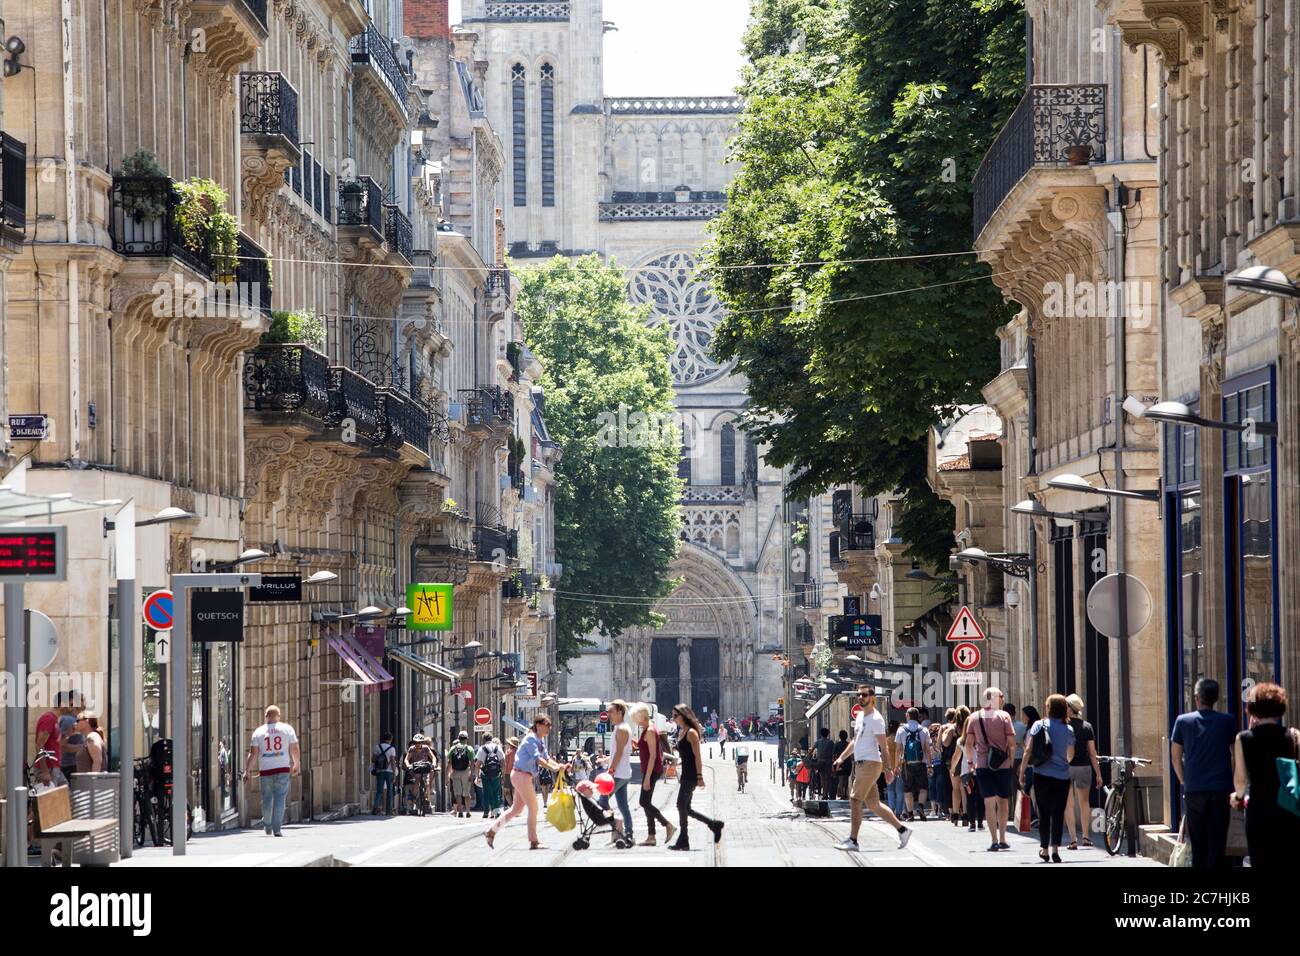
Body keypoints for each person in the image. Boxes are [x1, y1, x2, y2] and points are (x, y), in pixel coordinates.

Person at [832, 685, 911, 851]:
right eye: (859, 694)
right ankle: (903, 830)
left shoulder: (876, 719)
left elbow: (884, 746)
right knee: (874, 804)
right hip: (861, 764)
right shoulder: (861, 717)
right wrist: (841, 757)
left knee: (855, 800)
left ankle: (853, 840)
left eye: (864, 695)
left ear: (872, 697)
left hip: (870, 763)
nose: (861, 697)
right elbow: (855, 740)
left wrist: (888, 769)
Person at [1171, 678, 1238, 868]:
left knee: (1198, 843)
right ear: (1216, 698)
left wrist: (1185, 780)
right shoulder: (1228, 721)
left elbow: (1176, 757)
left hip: (1194, 788)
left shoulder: (1183, 721)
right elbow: (1235, 755)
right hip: (1220, 788)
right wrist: (1231, 779)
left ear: (1196, 698)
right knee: (1217, 843)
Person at [1232, 682, 1300, 867]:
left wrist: (1237, 797)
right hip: (1289, 810)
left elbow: (1240, 780)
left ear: (1253, 708)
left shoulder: (1244, 739)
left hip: (1259, 812)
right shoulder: (1294, 736)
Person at [486, 713, 567, 849]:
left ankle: (491, 831)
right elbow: (538, 759)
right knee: (533, 807)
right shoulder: (531, 739)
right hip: (521, 775)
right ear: (538, 726)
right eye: (547, 725)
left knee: (516, 809)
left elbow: (546, 758)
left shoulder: (540, 741)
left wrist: (559, 766)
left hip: (523, 776)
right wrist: (554, 768)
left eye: (549, 726)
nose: (549, 728)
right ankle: (533, 841)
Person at [1020, 694, 1075, 863]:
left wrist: (1021, 772)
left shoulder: (1038, 725)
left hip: (1041, 774)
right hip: (1062, 776)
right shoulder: (1069, 729)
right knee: (1058, 812)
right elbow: (1071, 753)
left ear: (1048, 708)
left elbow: (1028, 750)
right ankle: (1056, 848)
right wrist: (1064, 762)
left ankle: (1044, 848)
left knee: (1043, 812)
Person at [965, 688, 1016, 851]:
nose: (1002, 699)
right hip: (1002, 765)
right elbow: (1012, 743)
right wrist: (1011, 762)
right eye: (1001, 697)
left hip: (982, 764)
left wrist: (970, 762)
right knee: (1003, 801)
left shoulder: (974, 717)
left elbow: (968, 743)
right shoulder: (1004, 716)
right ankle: (1002, 838)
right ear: (994, 699)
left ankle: (993, 840)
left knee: (988, 801)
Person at [668, 704, 724, 850]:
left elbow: (697, 757)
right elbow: (685, 755)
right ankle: (713, 824)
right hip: (685, 773)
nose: (673, 719)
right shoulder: (682, 731)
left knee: (681, 805)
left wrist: (700, 776)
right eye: (672, 716)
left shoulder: (691, 732)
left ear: (683, 716)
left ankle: (684, 839)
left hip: (691, 775)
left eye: (675, 716)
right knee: (687, 808)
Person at [241, 705, 300, 837]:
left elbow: (253, 753)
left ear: (266, 716)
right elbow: (294, 748)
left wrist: (247, 770)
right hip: (283, 768)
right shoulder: (287, 729)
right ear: (278, 716)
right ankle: (277, 828)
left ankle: (267, 824)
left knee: (266, 799)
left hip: (266, 770)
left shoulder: (258, 732)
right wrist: (296, 764)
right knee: (280, 798)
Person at [631, 703, 676, 845]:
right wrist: (636, 744)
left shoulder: (650, 730)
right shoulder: (647, 729)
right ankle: (651, 836)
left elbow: (653, 755)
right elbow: (646, 748)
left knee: (643, 802)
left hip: (651, 770)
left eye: (635, 718)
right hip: (649, 769)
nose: (635, 721)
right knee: (646, 802)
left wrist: (647, 778)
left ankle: (667, 825)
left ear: (641, 717)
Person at [1063, 694, 1103, 849]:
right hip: (1084, 767)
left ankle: (1073, 840)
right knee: (1084, 803)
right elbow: (1092, 753)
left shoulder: (1063, 725)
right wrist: (1098, 773)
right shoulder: (1087, 726)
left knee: (1068, 804)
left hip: (1066, 768)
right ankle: (1086, 837)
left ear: (1069, 709)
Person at [598, 700, 635, 845]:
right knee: (623, 805)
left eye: (611, 711)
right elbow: (620, 752)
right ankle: (628, 833)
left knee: (602, 801)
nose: (608, 715)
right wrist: (606, 759)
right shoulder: (620, 727)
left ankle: (618, 827)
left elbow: (620, 752)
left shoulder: (622, 729)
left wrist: (611, 770)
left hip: (618, 773)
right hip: (623, 772)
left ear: (620, 712)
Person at [895, 707, 932, 822]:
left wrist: (897, 766)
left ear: (908, 716)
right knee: (923, 787)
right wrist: (930, 765)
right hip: (921, 763)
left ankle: (910, 814)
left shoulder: (901, 730)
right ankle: (921, 806)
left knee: (908, 789)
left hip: (907, 764)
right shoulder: (924, 730)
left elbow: (898, 750)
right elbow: (927, 749)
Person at [401, 734, 437, 814]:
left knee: (427, 783)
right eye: (416, 742)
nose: (417, 744)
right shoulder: (411, 749)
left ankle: (426, 798)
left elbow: (433, 757)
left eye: (419, 742)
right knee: (417, 780)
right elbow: (406, 759)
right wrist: (408, 765)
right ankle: (414, 799)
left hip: (424, 768)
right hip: (416, 768)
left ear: (422, 743)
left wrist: (434, 764)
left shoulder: (426, 748)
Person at [446, 731, 476, 818]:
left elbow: (449, 763)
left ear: (458, 738)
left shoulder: (453, 748)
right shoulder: (469, 748)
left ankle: (460, 811)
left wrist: (447, 776)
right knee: (466, 793)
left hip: (455, 772)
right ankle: (468, 811)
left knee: (458, 793)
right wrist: (471, 774)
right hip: (466, 771)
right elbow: (473, 762)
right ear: (466, 739)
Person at [475, 735, 505, 819]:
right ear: (491, 739)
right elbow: (503, 762)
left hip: (485, 774)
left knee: (486, 793)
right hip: (496, 774)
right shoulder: (497, 748)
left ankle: (486, 812)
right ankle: (496, 812)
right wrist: (502, 775)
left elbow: (477, 764)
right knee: (496, 793)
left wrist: (477, 776)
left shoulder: (482, 749)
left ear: (483, 739)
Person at [370, 732, 398, 815]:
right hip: (389, 772)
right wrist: (394, 773)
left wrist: (380, 760)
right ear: (391, 739)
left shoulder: (377, 747)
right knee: (390, 790)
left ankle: (375, 807)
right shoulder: (392, 749)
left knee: (379, 790)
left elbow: (373, 759)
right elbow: (393, 762)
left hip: (380, 771)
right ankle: (388, 810)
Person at [813, 726, 837, 800]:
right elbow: (834, 753)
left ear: (821, 734)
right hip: (828, 763)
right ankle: (826, 793)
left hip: (820, 762)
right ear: (828, 734)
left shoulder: (818, 742)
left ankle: (824, 794)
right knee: (827, 779)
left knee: (822, 778)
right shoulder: (831, 742)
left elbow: (812, 750)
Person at [835, 730, 852, 800]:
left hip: (840, 764)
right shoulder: (848, 744)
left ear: (840, 736)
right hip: (847, 764)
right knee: (846, 780)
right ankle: (845, 793)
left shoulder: (837, 745)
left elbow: (834, 754)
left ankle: (842, 794)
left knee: (841, 780)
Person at [503, 737, 519, 806]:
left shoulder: (508, 751)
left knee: (506, 792)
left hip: (508, 773)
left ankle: (512, 806)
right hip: (517, 773)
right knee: (514, 791)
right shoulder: (520, 752)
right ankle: (515, 807)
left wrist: (503, 775)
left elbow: (505, 764)